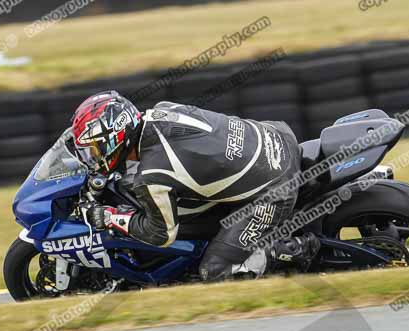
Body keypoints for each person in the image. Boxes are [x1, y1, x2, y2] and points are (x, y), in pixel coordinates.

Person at [71, 91, 320, 281]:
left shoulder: (154, 175)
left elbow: (161, 234)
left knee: (214, 271)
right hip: (276, 135)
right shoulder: (162, 111)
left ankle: (292, 251)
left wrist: (109, 217)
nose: (93, 158)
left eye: (94, 150)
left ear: (115, 138)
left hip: (275, 188)